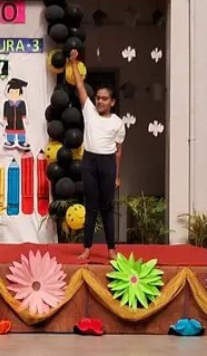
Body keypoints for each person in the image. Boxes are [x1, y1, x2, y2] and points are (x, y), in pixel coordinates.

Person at [69, 49, 125, 260]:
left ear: (112, 102)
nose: (100, 101)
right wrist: (73, 62)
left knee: (107, 207)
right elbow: (80, 86)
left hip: (107, 163)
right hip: (89, 161)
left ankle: (111, 249)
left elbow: (118, 152)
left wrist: (117, 176)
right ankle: (87, 248)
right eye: (98, 98)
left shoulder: (118, 123)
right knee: (91, 207)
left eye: (104, 99)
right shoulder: (89, 111)